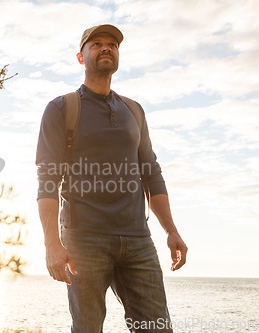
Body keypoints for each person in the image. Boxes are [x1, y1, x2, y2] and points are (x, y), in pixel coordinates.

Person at [35, 24, 188, 333]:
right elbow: (47, 180)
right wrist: (52, 243)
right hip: (83, 240)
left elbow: (152, 175)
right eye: (97, 44)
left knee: (157, 328)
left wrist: (171, 231)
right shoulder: (62, 108)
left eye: (113, 45)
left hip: (137, 241)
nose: (106, 48)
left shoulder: (134, 111)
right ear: (81, 57)